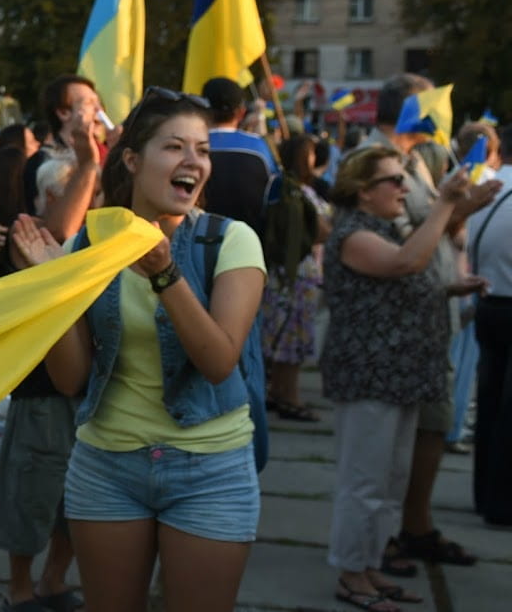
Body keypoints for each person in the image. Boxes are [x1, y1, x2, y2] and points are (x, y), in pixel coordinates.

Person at [18, 87, 267, 611]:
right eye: (175, 147)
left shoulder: (230, 240)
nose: (193, 162)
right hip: (108, 465)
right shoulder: (88, 246)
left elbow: (219, 361)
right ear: (132, 160)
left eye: (201, 150)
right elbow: (69, 379)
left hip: (209, 468)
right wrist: (52, 291)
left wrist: (164, 272)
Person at [318, 147, 489, 610]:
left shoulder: (379, 228)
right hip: (371, 377)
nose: (403, 187)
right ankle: (352, 574)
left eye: (402, 179)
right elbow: (404, 264)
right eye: (393, 181)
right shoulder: (353, 233)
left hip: (400, 375)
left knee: (391, 482)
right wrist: (446, 205)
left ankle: (370, 566)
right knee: (365, 482)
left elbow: (397, 282)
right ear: (362, 192)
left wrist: (452, 288)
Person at [353, 73, 499, 573]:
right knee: (388, 451)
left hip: (432, 312)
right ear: (412, 109)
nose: (443, 111)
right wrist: (450, 207)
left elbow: (433, 231)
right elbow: (398, 245)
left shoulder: (414, 161)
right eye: (432, 102)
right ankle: (382, 541)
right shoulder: (374, 163)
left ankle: (414, 525)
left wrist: (462, 210)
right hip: (398, 326)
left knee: (431, 428)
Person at [260, 133, 331, 421]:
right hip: (296, 272)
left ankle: (279, 392)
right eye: (311, 153)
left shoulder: (284, 186)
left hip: (290, 272)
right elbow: (318, 230)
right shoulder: (295, 191)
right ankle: (289, 396)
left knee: (283, 336)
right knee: (291, 339)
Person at [467, 125, 512, 527]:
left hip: (488, 302)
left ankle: (484, 494)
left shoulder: (486, 186)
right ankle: (503, 503)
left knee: (490, 404)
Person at [23, 75, 103, 242]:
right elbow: (61, 231)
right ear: (63, 113)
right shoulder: (43, 163)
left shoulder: (107, 151)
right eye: (89, 103)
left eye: (98, 102)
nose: (99, 110)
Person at [200, 77, 278, 232]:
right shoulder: (259, 147)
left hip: (197, 239)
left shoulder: (189, 147)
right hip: (251, 241)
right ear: (241, 112)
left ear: (202, 110)